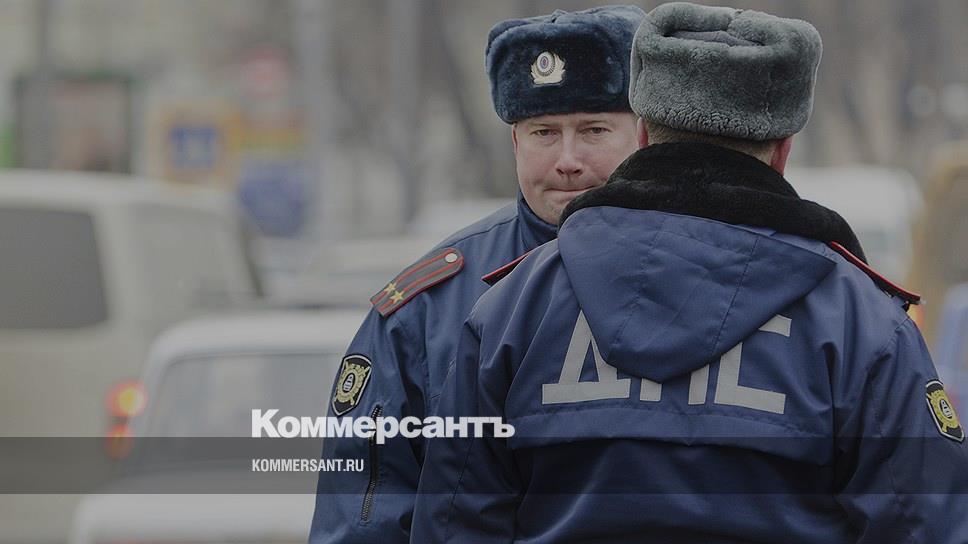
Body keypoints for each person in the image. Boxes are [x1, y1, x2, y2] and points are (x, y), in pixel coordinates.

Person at [411, 2, 968, 542]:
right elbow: (924, 524)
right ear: (782, 152)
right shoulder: (860, 322)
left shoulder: (515, 306)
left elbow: (455, 521)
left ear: (643, 137)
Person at [309, 6, 645, 543]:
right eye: (543, 132)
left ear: (644, 136)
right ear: (515, 143)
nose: (567, 159)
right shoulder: (426, 308)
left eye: (594, 130)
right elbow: (362, 514)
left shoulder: (698, 273)